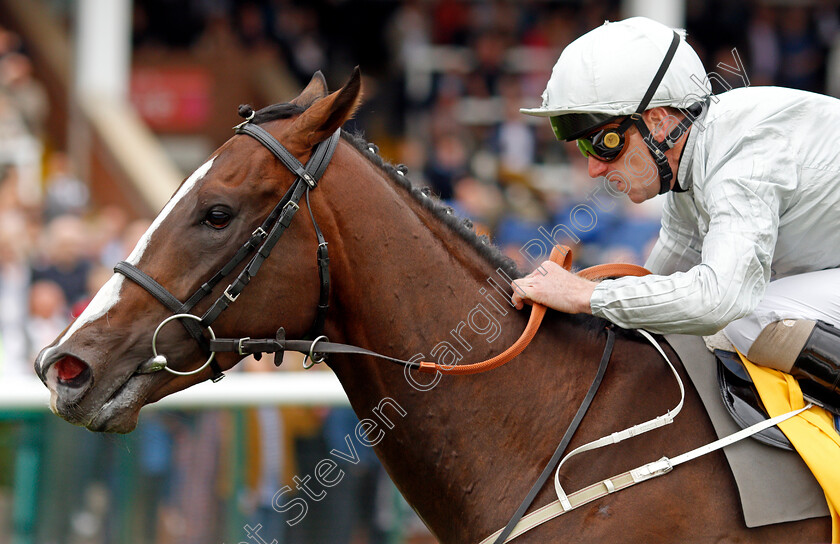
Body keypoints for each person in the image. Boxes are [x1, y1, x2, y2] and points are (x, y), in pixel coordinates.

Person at [512, 16, 840, 410]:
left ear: (658, 122)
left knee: (745, 317)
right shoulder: (693, 166)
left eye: (604, 143)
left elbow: (720, 300)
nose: (594, 168)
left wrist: (584, 294)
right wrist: (572, 306)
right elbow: (660, 285)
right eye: (584, 149)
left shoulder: (742, 157)